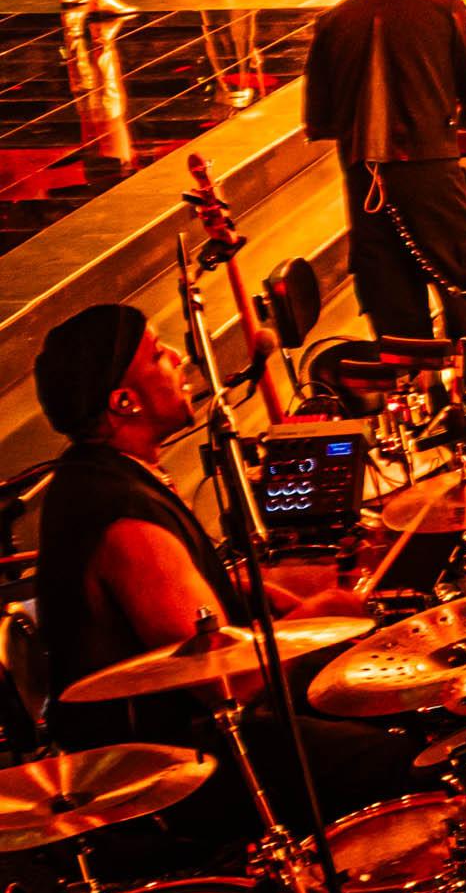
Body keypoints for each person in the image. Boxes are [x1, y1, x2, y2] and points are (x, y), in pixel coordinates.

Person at [26, 303, 411, 842]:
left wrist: (269, 595)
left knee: (378, 684)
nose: (179, 358)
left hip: (194, 737)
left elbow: (188, 590)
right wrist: (324, 612)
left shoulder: (108, 475)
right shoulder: (119, 517)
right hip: (168, 770)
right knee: (394, 755)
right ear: (123, 401)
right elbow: (227, 683)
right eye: (157, 355)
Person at [304, 0, 466, 342]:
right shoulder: (444, 6)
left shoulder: (333, 20)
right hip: (430, 178)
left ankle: (412, 381)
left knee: (395, 316)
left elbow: (319, 122)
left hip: (363, 185)